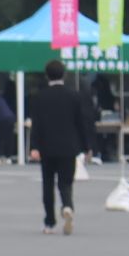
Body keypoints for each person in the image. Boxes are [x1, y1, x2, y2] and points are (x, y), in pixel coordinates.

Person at [28, 59, 92, 235]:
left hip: (47, 147)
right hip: (69, 146)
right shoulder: (74, 96)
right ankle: (67, 206)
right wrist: (86, 146)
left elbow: (37, 124)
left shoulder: (40, 97)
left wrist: (34, 147)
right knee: (65, 182)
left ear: (47, 76)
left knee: (48, 184)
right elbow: (81, 123)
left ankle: (49, 222)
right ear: (63, 74)